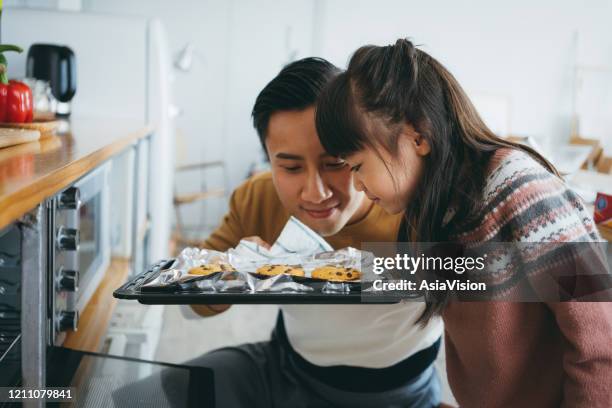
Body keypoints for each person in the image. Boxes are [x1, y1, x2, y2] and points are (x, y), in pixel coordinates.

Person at [314, 38, 612, 407]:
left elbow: (601, 338)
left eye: (358, 166)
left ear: (417, 137)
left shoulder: (522, 192)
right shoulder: (439, 206)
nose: (357, 184)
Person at [183, 57, 444, 408]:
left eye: (335, 163)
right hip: (285, 371)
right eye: (290, 167)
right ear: (268, 161)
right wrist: (229, 280)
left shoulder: (418, 204)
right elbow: (187, 303)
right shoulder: (258, 198)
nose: (315, 193)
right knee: (146, 396)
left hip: (402, 392)